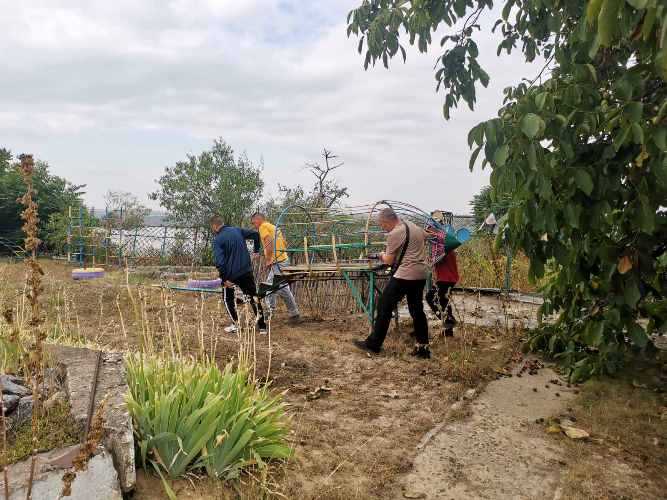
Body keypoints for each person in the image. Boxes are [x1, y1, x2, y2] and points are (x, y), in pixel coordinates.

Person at [353, 208, 431, 359]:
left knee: (383, 305)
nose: (383, 228)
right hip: (421, 273)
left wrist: (381, 255)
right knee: (416, 310)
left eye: (382, 225)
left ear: (387, 221)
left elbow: (389, 260)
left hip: (406, 274)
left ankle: (374, 344)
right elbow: (426, 236)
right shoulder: (412, 225)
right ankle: (423, 348)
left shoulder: (395, 233)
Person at [209, 215, 267, 334]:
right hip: (246, 271)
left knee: (227, 299)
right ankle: (262, 327)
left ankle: (236, 324)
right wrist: (256, 251)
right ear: (223, 223)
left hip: (231, 275)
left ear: (215, 226)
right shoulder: (237, 230)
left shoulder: (218, 239)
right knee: (253, 297)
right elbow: (256, 235)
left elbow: (219, 262)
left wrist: (224, 279)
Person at [250, 212, 301, 324]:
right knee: (271, 285)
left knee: (280, 287)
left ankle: (293, 314)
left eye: (253, 223)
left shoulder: (263, 227)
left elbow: (268, 243)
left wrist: (268, 259)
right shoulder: (274, 227)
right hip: (282, 259)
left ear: (258, 220)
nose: (254, 225)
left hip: (278, 262)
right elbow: (284, 243)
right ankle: (271, 310)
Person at [426, 248, 459, 336]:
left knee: (430, 297)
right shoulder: (447, 247)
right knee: (444, 301)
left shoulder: (442, 248)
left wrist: (430, 259)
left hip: (445, 279)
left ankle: (449, 320)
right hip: (450, 278)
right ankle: (449, 331)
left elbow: (433, 262)